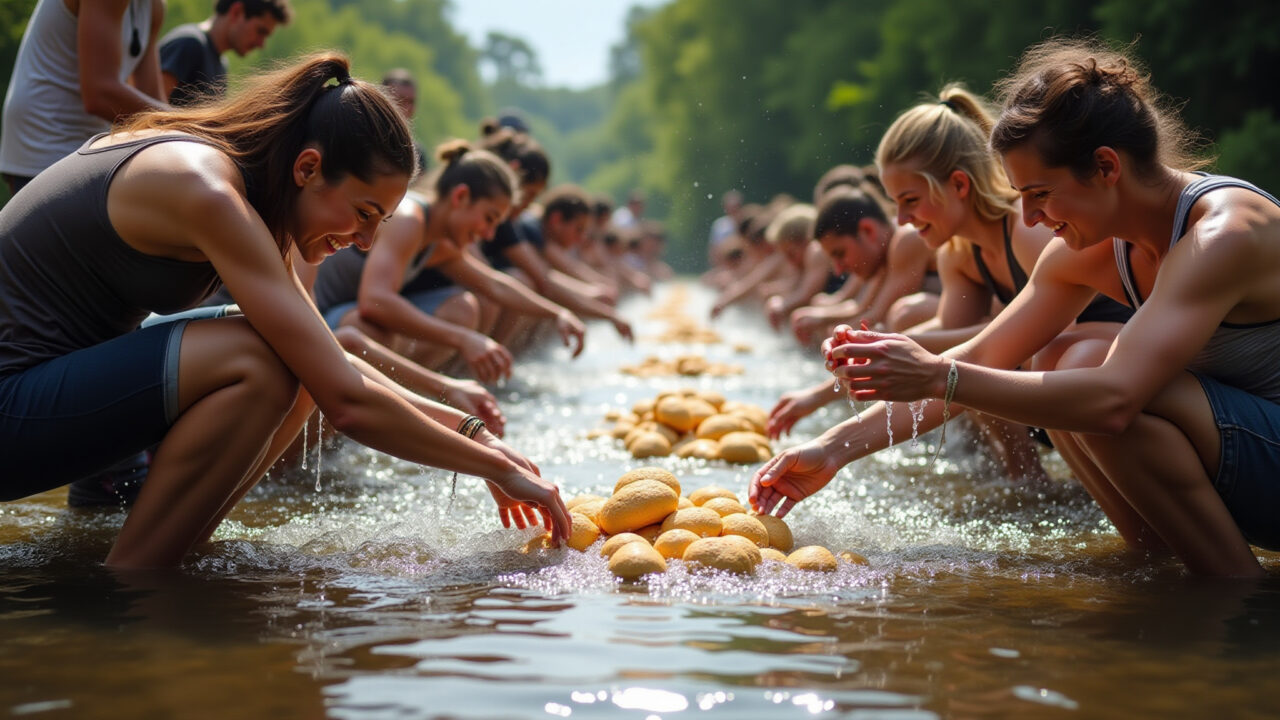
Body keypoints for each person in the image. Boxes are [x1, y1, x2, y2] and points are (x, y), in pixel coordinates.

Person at [0, 53, 570, 569]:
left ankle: (167, 556)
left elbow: (326, 357)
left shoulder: (242, 189)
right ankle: (133, 587)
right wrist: (494, 468)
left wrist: (471, 432)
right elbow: (346, 402)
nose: (367, 241)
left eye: (381, 222)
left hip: (39, 397)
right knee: (257, 360)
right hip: (12, 406)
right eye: (363, 212)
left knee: (289, 360)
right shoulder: (206, 190)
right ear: (307, 168)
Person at [751, 38, 1280, 577]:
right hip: (1252, 454)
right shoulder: (1093, 246)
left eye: (1039, 193)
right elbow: (984, 355)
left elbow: (1115, 399)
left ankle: (1234, 590)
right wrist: (831, 448)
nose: (1027, 217)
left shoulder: (1223, 234)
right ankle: (1155, 565)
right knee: (1057, 360)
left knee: (1084, 367)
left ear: (1105, 167)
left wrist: (937, 374)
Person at [313, 141, 588, 382]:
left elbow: (495, 285)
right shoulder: (409, 218)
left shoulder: (439, 241)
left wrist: (557, 313)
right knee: (370, 331)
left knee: (462, 309)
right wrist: (463, 339)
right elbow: (376, 302)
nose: (489, 234)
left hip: (348, 316)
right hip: (320, 319)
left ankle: (419, 397)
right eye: (489, 218)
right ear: (460, 197)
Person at [1, 0, 167, 195]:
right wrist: (199, 124)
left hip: (91, 147)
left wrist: (191, 126)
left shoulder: (153, 6)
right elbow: (100, 95)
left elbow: (154, 104)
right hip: (46, 141)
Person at [159, 0, 291, 106]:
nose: (261, 44)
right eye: (260, 31)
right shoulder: (189, 44)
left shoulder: (221, 64)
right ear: (236, 12)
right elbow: (149, 107)